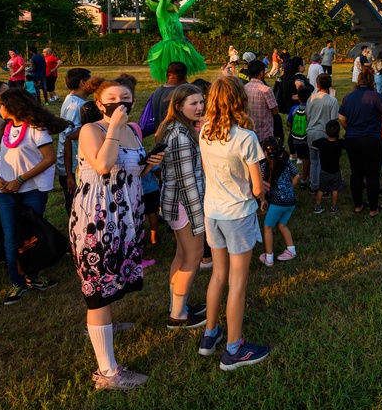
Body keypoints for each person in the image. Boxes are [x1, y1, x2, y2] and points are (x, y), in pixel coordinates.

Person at [71, 77, 165, 389]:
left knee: (111, 280)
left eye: (125, 96)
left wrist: (150, 163)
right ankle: (108, 373)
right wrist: (113, 127)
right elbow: (102, 166)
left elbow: (132, 173)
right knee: (98, 288)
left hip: (126, 216)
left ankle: (105, 322)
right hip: (97, 219)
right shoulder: (91, 130)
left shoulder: (134, 131)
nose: (119, 101)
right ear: (100, 104)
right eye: (112, 97)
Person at [197, 76, 270, 370]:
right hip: (238, 214)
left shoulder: (203, 131)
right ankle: (234, 348)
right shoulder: (246, 137)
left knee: (218, 275)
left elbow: (209, 171)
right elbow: (255, 189)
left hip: (213, 211)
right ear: (240, 99)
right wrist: (261, 187)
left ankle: (209, 335)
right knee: (237, 283)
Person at [0, 89, 69, 305]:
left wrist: (20, 180)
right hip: (6, 193)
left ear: (13, 106)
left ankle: (32, 275)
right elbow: (4, 159)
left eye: (2, 105)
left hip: (32, 191)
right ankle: (16, 281)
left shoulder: (36, 130)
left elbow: (49, 158)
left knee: (31, 235)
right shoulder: (7, 129)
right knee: (10, 237)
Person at [156, 84, 208, 330]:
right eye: (193, 104)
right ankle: (178, 316)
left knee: (181, 254)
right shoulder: (179, 134)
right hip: (186, 204)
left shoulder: (178, 128)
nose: (199, 107)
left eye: (201, 102)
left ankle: (178, 305)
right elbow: (187, 181)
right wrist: (200, 217)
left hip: (178, 203)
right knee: (194, 256)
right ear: (178, 106)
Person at [340, 67, 382, 216]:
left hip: (352, 138)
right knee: (372, 175)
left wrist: (349, 128)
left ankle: (358, 205)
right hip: (372, 139)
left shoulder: (348, 97)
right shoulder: (375, 96)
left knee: (356, 173)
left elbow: (342, 118)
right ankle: (373, 209)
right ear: (372, 82)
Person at [144, 0, 207, 83]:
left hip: (181, 45)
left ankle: (183, 87)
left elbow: (187, 5)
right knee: (172, 73)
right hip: (169, 48)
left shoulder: (175, 15)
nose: (179, 4)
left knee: (182, 72)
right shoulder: (162, 14)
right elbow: (162, 0)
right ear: (171, 3)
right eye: (177, 2)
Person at [56, 69, 94, 219]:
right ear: (83, 83)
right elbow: (69, 136)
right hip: (71, 167)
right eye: (91, 80)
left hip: (76, 164)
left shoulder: (79, 102)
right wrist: (97, 126)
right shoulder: (74, 106)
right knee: (75, 206)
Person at [257, 136, 299, 267]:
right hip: (291, 201)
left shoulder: (264, 166)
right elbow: (297, 175)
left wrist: (263, 201)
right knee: (282, 225)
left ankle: (269, 258)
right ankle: (291, 250)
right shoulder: (287, 162)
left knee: (268, 227)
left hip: (277, 203)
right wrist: (289, 189)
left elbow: (261, 186)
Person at [305, 74, 340, 199]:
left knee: (313, 160)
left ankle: (314, 185)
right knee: (323, 162)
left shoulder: (311, 98)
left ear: (317, 85)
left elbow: (307, 116)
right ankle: (323, 187)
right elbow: (333, 120)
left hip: (311, 132)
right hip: (324, 133)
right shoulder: (332, 100)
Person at [146, 62, 189, 132]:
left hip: (160, 136)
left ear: (167, 76)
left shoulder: (157, 91)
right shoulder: (182, 93)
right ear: (185, 77)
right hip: (177, 137)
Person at [312, 120, 344, 213]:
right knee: (335, 189)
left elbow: (312, 143)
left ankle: (317, 205)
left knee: (321, 189)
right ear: (339, 132)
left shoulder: (322, 142)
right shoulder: (340, 143)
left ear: (325, 131)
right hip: (335, 171)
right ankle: (334, 206)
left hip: (324, 170)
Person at [244, 60, 278, 144]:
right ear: (261, 73)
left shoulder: (244, 88)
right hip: (264, 133)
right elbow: (275, 111)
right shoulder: (266, 89)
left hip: (249, 130)